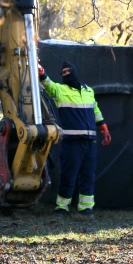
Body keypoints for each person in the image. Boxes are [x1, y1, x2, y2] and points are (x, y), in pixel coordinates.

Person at [38, 61, 111, 216]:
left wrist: (104, 128)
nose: (66, 74)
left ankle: (86, 208)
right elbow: (48, 84)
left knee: (88, 175)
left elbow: (96, 111)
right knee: (68, 175)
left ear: (75, 71)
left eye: (68, 71)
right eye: (63, 73)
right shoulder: (60, 90)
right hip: (71, 143)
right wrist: (41, 73)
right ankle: (62, 207)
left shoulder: (88, 91)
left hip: (90, 142)